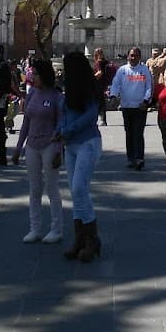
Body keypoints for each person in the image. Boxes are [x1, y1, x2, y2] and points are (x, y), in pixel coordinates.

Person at [11, 58, 65, 243]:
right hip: (32, 146)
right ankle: (35, 229)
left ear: (44, 75)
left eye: (35, 74)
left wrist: (58, 150)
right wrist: (18, 148)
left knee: (52, 188)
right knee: (34, 189)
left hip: (49, 145)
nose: (31, 77)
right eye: (31, 73)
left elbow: (60, 125)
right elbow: (26, 122)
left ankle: (56, 229)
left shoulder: (57, 97)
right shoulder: (32, 93)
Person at [60, 50, 102, 262]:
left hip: (88, 143)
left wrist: (68, 130)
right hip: (70, 146)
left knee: (79, 188)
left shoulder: (87, 88)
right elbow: (63, 115)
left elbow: (91, 115)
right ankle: (80, 238)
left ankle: (92, 239)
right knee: (75, 193)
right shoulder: (69, 89)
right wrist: (59, 131)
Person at [109, 46, 153, 170]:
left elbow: (149, 86)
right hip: (127, 106)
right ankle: (131, 158)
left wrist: (146, 101)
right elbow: (116, 84)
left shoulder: (144, 70)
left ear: (140, 57)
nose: (133, 58)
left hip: (140, 107)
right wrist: (113, 96)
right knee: (129, 133)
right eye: (131, 55)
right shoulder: (122, 70)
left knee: (138, 133)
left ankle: (139, 158)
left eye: (136, 55)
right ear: (128, 56)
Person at [92, 47, 116, 126]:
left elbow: (100, 73)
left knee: (97, 102)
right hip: (104, 84)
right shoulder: (106, 62)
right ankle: (103, 120)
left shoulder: (98, 62)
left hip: (98, 84)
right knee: (101, 102)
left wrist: (91, 78)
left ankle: (100, 119)